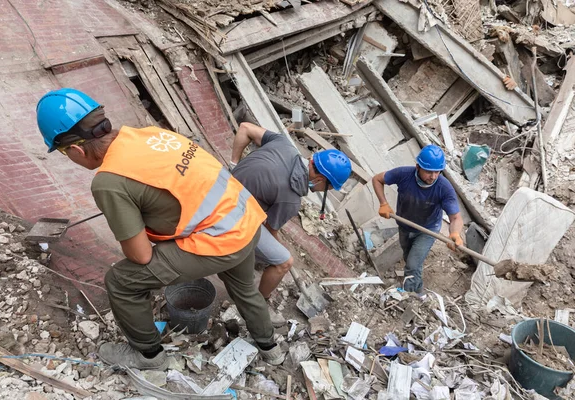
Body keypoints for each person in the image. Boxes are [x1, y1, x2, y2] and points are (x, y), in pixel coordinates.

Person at [36, 89, 284, 370]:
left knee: (121, 282)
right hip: (245, 219)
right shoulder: (149, 134)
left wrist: (126, 218)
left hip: (220, 238)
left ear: (76, 150)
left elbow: (140, 256)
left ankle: (148, 356)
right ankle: (270, 349)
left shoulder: (109, 182)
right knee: (245, 289)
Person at [229, 122, 352, 299]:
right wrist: (280, 248)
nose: (326, 192)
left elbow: (245, 128)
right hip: (230, 214)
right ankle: (259, 299)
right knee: (284, 262)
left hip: (224, 185)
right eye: (329, 187)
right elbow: (271, 229)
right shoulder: (291, 199)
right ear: (319, 179)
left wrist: (234, 164)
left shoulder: (284, 144)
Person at [371, 145, 463, 295]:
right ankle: (419, 290)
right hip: (405, 225)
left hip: (427, 230)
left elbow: (456, 218)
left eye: (437, 171)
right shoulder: (403, 174)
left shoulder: (444, 188)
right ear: (417, 167)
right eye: (428, 171)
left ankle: (408, 296)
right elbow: (377, 179)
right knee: (410, 260)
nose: (433, 176)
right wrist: (383, 203)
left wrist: (455, 233)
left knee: (412, 264)